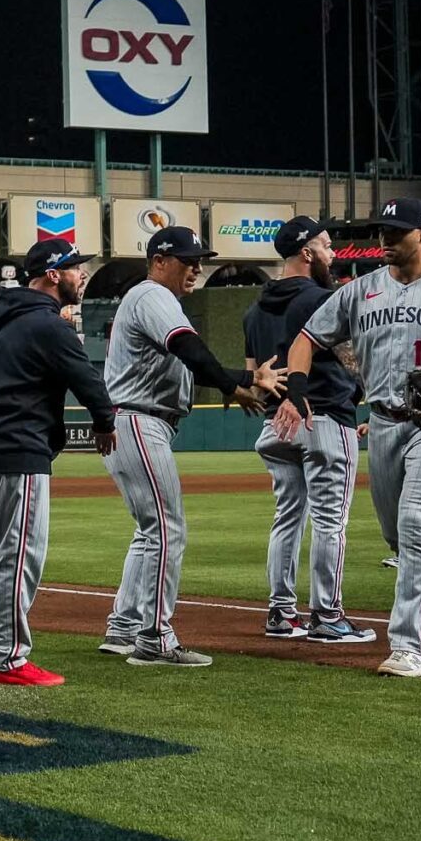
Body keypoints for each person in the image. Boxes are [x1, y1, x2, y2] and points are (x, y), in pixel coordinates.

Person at [273, 199, 421, 679]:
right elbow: (306, 339)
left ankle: (407, 645)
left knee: (415, 522)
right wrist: (297, 389)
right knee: (398, 535)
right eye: (381, 231)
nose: (385, 239)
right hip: (384, 422)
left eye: (397, 231)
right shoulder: (358, 291)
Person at [99, 226, 281, 667]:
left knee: (150, 533)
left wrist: (237, 380)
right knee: (167, 530)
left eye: (200, 258)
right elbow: (189, 348)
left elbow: (191, 364)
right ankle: (155, 638)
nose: (197, 266)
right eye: (188, 258)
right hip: (140, 420)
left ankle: (123, 627)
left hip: (133, 421)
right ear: (160, 261)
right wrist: (240, 381)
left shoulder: (150, 301)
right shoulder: (151, 296)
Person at [0, 241, 114, 684]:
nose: (82, 275)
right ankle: (8, 659)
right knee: (21, 555)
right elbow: (88, 381)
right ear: (54, 275)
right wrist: (104, 422)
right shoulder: (48, 324)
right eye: (77, 268)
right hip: (20, 449)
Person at [241, 216, 375, 643]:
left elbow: (254, 382)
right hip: (323, 418)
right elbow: (354, 362)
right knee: (330, 522)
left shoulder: (253, 311)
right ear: (307, 252)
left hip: (276, 425)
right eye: (327, 246)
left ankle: (280, 614)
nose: (332, 254)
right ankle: (328, 616)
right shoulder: (323, 298)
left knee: (286, 520)